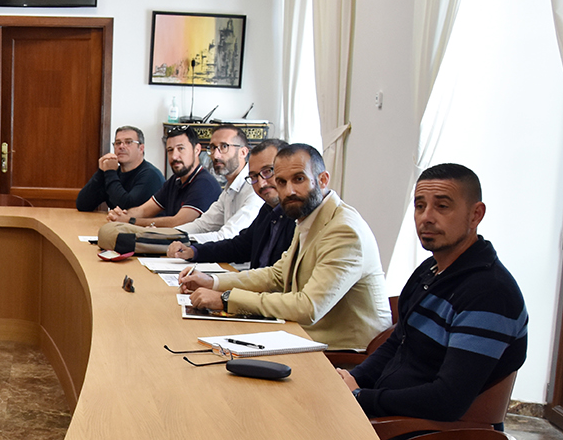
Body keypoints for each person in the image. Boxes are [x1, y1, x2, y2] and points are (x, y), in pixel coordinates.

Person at [341, 163, 527, 420]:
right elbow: (398, 342)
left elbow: (447, 400)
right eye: (420, 206)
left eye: (442, 206)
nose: (426, 217)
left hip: (424, 434)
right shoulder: (431, 269)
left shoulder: (490, 293)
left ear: (476, 215)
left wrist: (360, 398)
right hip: (386, 413)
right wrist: (351, 379)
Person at [178, 143, 390, 349]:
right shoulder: (309, 214)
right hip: (305, 333)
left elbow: (308, 307)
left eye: (299, 179)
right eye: (281, 182)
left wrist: (226, 299)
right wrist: (213, 281)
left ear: (323, 179)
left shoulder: (343, 230)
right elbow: (277, 275)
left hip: (346, 353)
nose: (289, 191)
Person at [99, 125, 261, 253]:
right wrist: (167, 236)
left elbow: (227, 236)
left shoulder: (251, 189)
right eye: (212, 148)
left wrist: (168, 238)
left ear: (243, 152)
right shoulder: (226, 189)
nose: (216, 155)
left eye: (224, 147)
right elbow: (202, 225)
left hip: (236, 267)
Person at [166, 139, 294, 269]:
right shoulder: (267, 210)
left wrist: (217, 281)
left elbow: (275, 276)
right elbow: (239, 246)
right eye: (254, 177)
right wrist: (193, 251)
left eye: (268, 171)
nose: (261, 183)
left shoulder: (296, 217)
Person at [103, 126, 220, 229]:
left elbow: (178, 223)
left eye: (181, 148)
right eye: (170, 150)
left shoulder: (204, 183)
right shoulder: (175, 181)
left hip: (193, 247)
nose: (174, 156)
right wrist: (120, 215)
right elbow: (143, 210)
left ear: (197, 150)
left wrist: (130, 221)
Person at [75, 125, 164, 212]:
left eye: (128, 142)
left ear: (141, 148)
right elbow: (83, 205)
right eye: (118, 143)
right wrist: (101, 172)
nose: (121, 146)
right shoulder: (114, 173)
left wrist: (110, 172)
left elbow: (127, 209)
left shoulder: (151, 175)